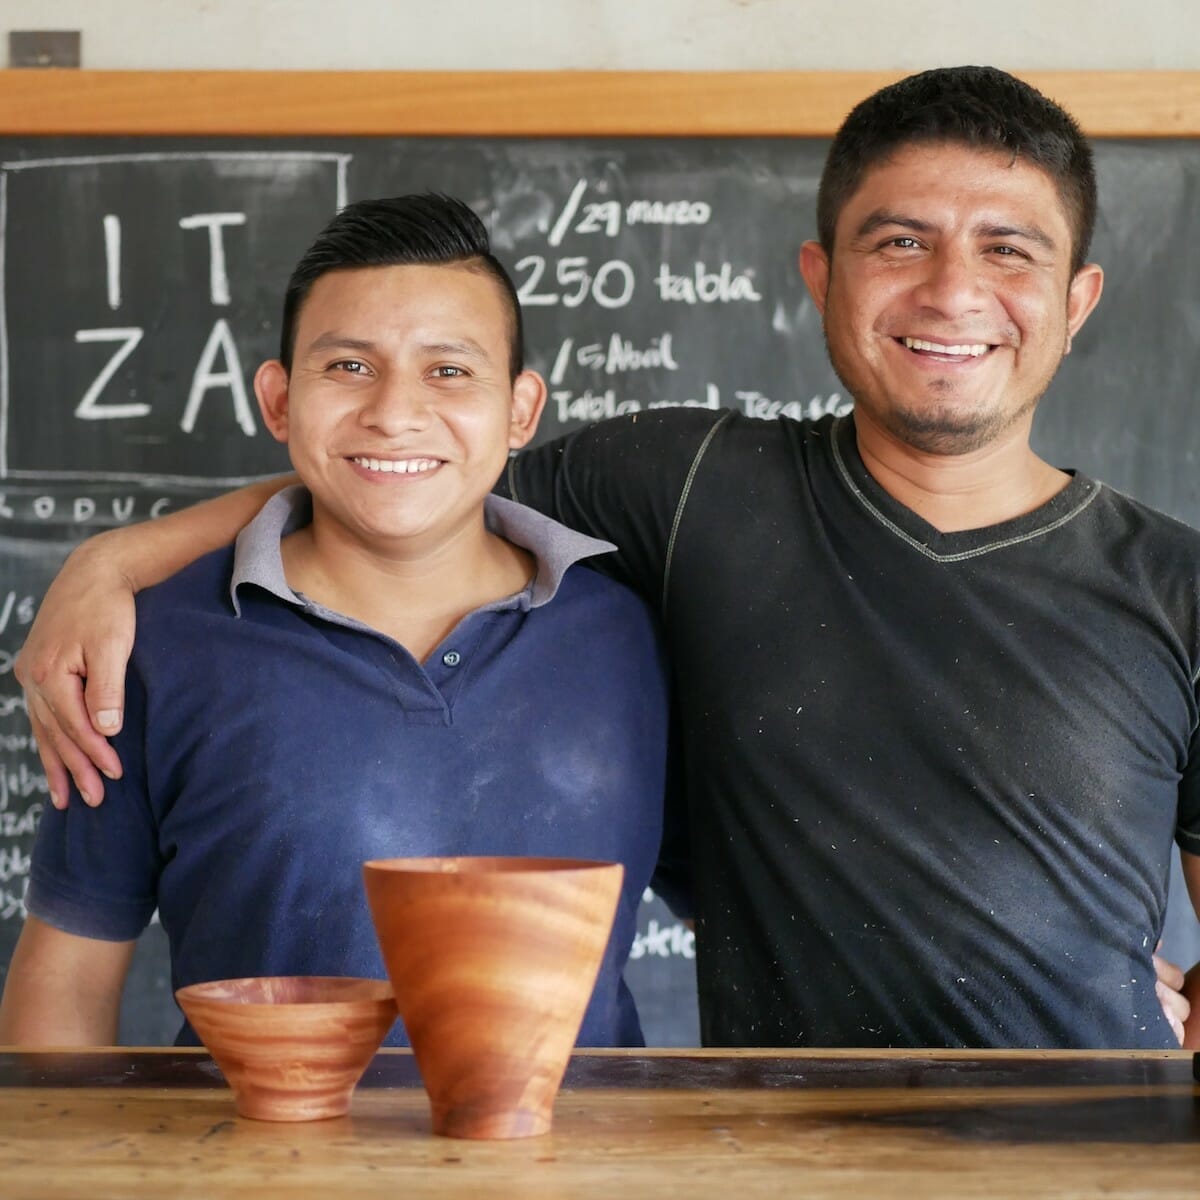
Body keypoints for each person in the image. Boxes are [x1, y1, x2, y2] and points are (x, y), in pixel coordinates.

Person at [14, 67, 1200, 1049]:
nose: (954, 291)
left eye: (1010, 249)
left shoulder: (1179, 591)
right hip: (774, 1164)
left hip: (1092, 1153)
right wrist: (114, 561)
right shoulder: (684, 494)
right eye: (901, 240)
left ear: (1080, 296)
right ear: (820, 274)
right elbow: (412, 472)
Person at [0, 194, 677, 1048]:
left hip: (579, 1177)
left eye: (450, 370)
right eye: (349, 367)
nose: (394, 412)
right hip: (250, 1172)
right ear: (280, 401)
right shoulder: (149, 649)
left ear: (521, 411)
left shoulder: (634, 637)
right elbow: (66, 981)